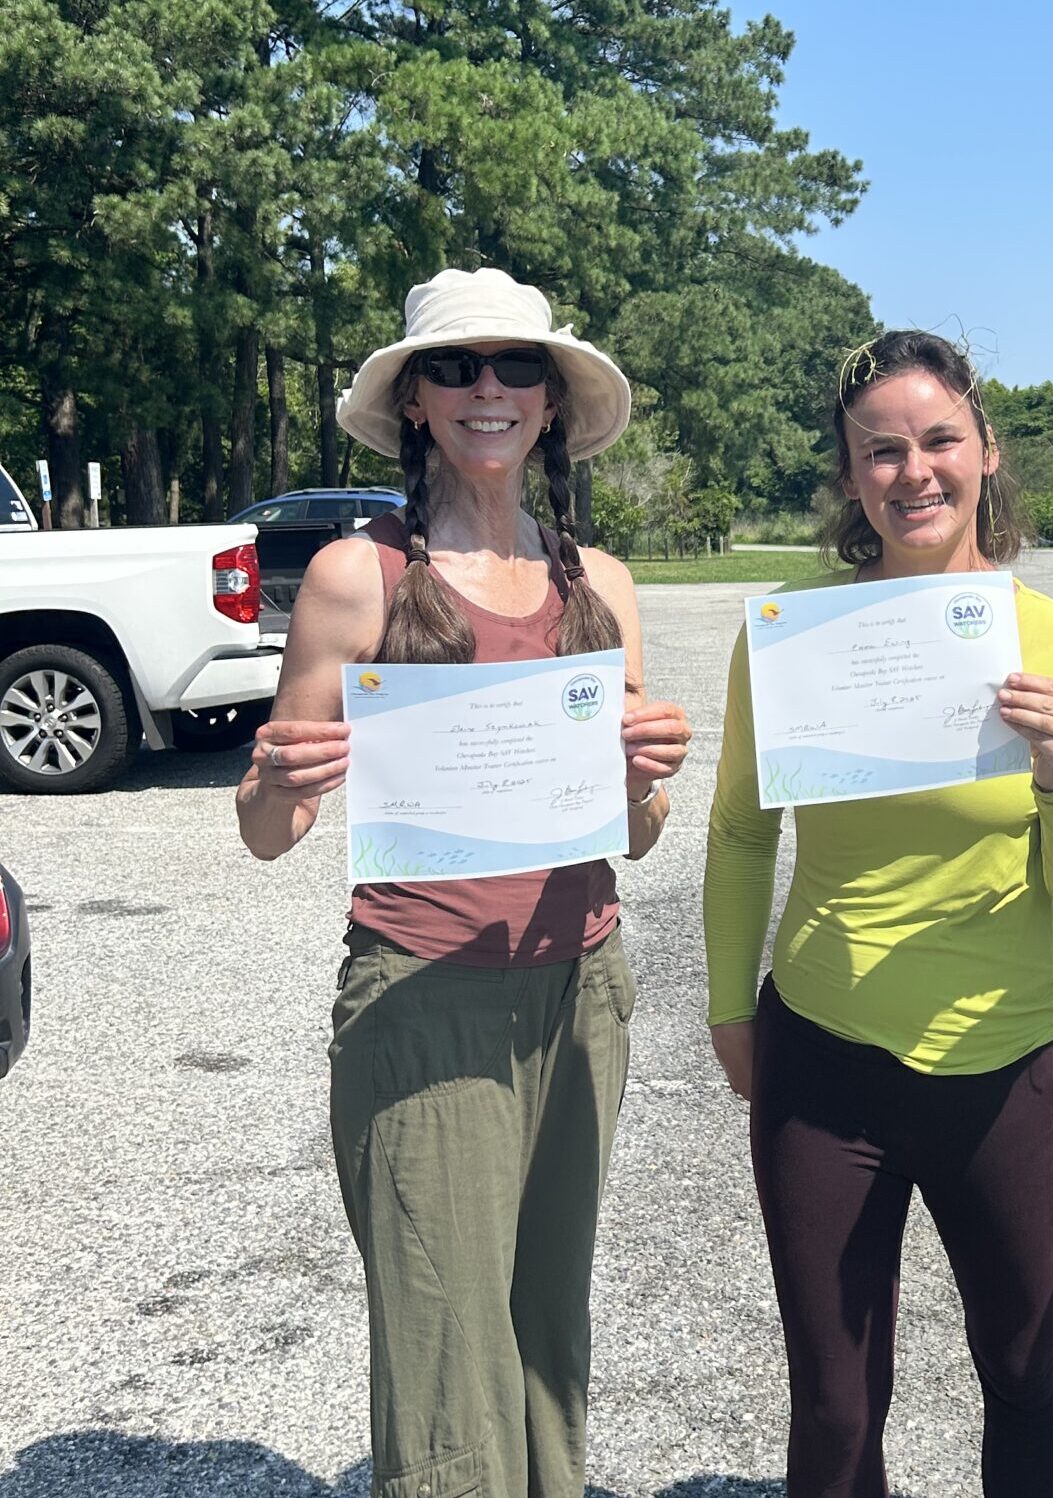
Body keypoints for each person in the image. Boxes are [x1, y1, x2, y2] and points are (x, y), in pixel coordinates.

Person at [235, 266, 692, 1498]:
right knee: (444, 1350)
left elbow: (636, 836)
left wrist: (647, 778)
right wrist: (281, 774)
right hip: (423, 991)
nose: (488, 389)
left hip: (583, 989)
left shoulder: (601, 582)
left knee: (548, 1333)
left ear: (551, 401)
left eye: (517, 367)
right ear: (416, 402)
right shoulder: (358, 577)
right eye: (456, 367)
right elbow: (268, 831)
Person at [702, 330, 1053, 1498]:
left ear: (987, 450)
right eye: (880, 451)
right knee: (837, 1404)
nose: (915, 471)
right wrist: (729, 1010)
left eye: (940, 439)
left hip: (1009, 1069)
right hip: (825, 1057)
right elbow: (744, 829)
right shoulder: (792, 637)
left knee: (1026, 1367)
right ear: (849, 478)